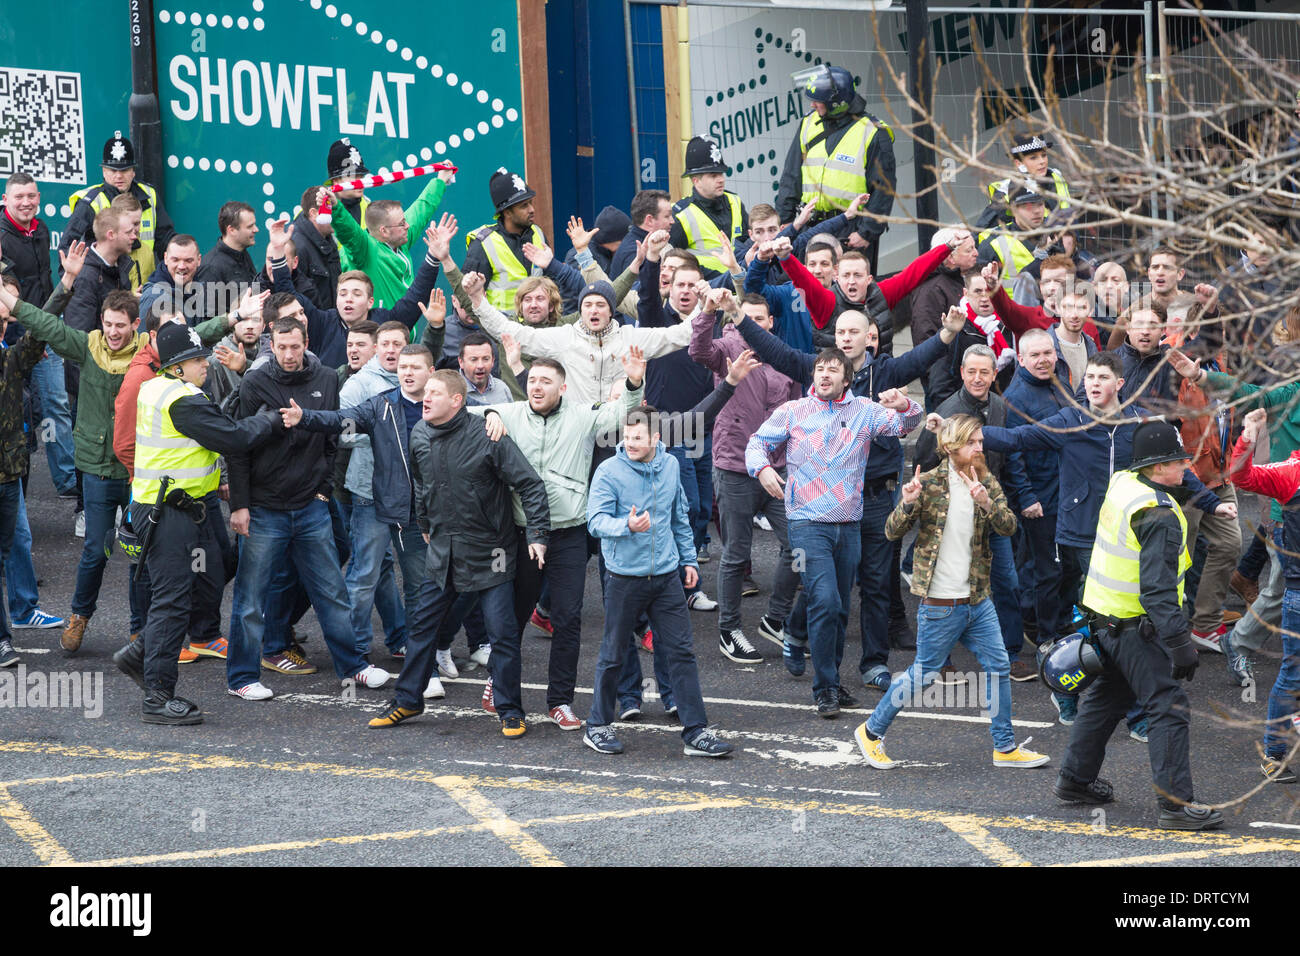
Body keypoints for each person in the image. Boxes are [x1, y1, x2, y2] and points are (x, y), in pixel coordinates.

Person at [737, 302, 966, 684]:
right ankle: (798, 635)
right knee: (823, 587)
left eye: (853, 332)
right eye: (839, 332)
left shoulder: (885, 374)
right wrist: (739, 315)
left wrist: (946, 336)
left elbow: (918, 369)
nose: (845, 339)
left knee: (875, 583)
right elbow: (776, 351)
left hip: (874, 498)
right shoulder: (817, 373)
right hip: (816, 508)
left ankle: (873, 665)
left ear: (870, 338)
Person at [1054, 421, 1224, 831]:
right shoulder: (1160, 518)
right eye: (1179, 460)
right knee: (1168, 707)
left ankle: (1075, 780)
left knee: (1105, 699)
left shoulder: (1124, 482)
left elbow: (1159, 494)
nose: (1187, 465)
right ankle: (1175, 807)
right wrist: (1180, 642)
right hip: (1136, 626)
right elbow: (1158, 589)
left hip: (1103, 618)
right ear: (1157, 466)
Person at [855, 414, 1050, 770]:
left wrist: (987, 503)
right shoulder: (927, 484)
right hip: (941, 603)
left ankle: (1004, 748)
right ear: (950, 447)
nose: (980, 447)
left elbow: (1009, 527)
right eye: (973, 442)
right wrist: (908, 502)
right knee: (923, 673)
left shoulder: (985, 481)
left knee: (998, 666)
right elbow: (891, 532)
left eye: (980, 441)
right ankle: (871, 732)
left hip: (977, 599)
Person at [466, 349, 646, 729]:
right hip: (520, 533)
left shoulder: (581, 416)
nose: (536, 386)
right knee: (511, 617)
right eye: (531, 380)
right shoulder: (511, 413)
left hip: (568, 533)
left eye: (545, 381)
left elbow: (619, 415)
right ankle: (497, 681)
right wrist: (492, 413)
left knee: (568, 619)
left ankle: (560, 701)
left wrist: (633, 383)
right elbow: (464, 413)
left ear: (562, 387)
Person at [366, 370, 550, 737]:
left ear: (457, 400)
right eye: (425, 392)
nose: (425, 397)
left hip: (492, 554)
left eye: (434, 392)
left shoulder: (487, 434)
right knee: (421, 628)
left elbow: (530, 484)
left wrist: (538, 534)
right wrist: (424, 524)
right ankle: (407, 700)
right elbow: (420, 483)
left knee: (501, 635)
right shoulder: (419, 433)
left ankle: (509, 709)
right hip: (443, 552)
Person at [115, 322, 281, 723]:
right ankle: (157, 696)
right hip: (168, 512)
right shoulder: (182, 400)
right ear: (175, 367)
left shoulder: (162, 388)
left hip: (186, 507)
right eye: (194, 359)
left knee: (216, 567)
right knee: (172, 601)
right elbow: (235, 437)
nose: (204, 363)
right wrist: (274, 419)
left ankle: (141, 652)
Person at [746, 348, 922, 717]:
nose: (824, 375)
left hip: (849, 525)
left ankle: (828, 677)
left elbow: (907, 424)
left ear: (846, 378)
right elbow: (756, 443)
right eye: (819, 369)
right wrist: (761, 469)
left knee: (839, 608)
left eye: (833, 370)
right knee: (824, 600)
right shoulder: (793, 411)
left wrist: (904, 403)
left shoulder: (864, 411)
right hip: (807, 523)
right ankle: (824, 687)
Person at [225, 315, 391, 696]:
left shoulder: (327, 379)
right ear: (271, 344)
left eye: (294, 347)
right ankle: (242, 679)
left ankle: (354, 666)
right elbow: (238, 446)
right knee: (250, 599)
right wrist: (241, 505)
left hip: (311, 506)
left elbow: (331, 434)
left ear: (306, 342)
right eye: (280, 347)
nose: (288, 354)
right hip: (264, 509)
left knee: (332, 593)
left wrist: (322, 490)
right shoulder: (254, 381)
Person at [584, 404, 734, 757]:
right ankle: (597, 725)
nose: (630, 443)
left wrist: (688, 560)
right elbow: (594, 521)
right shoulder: (608, 471)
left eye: (638, 437)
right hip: (624, 578)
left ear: (655, 438)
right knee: (613, 653)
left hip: (666, 577)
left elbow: (679, 517)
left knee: (681, 651)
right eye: (627, 436)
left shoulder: (669, 466)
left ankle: (696, 731)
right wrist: (626, 526)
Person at [282, 343, 435, 678]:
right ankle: (354, 656)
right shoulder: (382, 405)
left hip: (420, 513)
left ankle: (421, 655)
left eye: (415, 367)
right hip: (377, 504)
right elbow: (340, 419)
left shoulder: (439, 407)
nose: (407, 373)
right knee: (363, 578)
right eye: (403, 367)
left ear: (431, 372)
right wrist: (304, 417)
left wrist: (495, 416)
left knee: (419, 585)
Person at [689, 289, 802, 663]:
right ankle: (729, 630)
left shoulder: (785, 357)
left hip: (780, 469)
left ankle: (775, 619)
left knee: (798, 547)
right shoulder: (726, 348)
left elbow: (799, 411)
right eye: (744, 316)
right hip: (735, 467)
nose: (751, 323)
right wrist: (707, 311)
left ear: (770, 323)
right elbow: (698, 351)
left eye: (760, 318)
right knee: (736, 554)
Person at [914, 345, 1034, 680]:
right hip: (952, 516)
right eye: (971, 372)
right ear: (962, 373)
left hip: (988, 508)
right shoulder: (948, 411)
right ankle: (940, 657)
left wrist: (1018, 498)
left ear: (995, 374)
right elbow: (924, 460)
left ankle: (1010, 654)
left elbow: (1009, 458)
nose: (978, 378)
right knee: (946, 585)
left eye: (985, 372)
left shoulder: (999, 406)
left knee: (1006, 583)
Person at [1226, 407, 1300, 783]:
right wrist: (1248, 438)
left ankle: (1276, 752)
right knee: (1293, 674)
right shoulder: (1291, 471)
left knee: (1292, 674)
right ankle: (1274, 754)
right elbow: (1239, 476)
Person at [266, 217, 442, 368]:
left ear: (370, 302)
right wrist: (278, 252)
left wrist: (433, 256)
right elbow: (288, 295)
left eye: (357, 294)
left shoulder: (387, 323)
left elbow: (417, 294)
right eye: (343, 294)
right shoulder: (321, 323)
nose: (348, 299)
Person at [1, 172, 78, 500]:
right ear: (6, 200)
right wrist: (27, 336)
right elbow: (6, 297)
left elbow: (43, 284)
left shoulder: (42, 229)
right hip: (15, 337)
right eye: (19, 197)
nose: (26, 202)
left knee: (56, 403)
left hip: (44, 329)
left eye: (31, 196)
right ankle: (15, 488)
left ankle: (69, 482)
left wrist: (46, 329)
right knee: (16, 412)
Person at [0, 274, 63, 668]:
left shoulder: (10, 359)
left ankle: (17, 619)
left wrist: (67, 282)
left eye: (5, 319)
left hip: (9, 478)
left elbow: (40, 332)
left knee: (15, 546)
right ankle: (4, 641)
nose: (4, 323)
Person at [777, 65, 897, 271]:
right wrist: (786, 219)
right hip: (810, 225)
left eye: (819, 101)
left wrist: (866, 232)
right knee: (811, 293)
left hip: (850, 231)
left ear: (836, 103)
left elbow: (883, 190)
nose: (813, 105)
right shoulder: (808, 123)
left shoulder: (873, 132)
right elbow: (791, 175)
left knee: (851, 293)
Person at [778, 231, 957, 353]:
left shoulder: (882, 294)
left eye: (858, 275)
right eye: (846, 275)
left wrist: (946, 247)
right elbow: (803, 280)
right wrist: (786, 257)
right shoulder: (826, 302)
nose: (852, 281)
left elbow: (913, 273)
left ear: (869, 278)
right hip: (838, 382)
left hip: (879, 377)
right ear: (836, 277)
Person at [318, 162, 451, 310]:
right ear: (384, 231)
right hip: (376, 331)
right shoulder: (365, 250)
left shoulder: (400, 238)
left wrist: (440, 180)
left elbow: (421, 209)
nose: (407, 226)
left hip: (405, 331)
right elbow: (349, 232)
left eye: (405, 221)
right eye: (401, 223)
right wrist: (335, 207)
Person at [59, 132, 175, 289]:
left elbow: (166, 240)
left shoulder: (149, 195)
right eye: (113, 170)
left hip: (146, 286)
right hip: (108, 290)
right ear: (104, 172)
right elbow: (67, 247)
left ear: (133, 171)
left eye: (125, 170)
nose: (119, 176)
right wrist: (77, 288)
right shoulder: (91, 202)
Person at [462, 169, 555, 318]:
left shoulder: (538, 233)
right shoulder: (483, 243)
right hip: (500, 333)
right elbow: (467, 299)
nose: (532, 209)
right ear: (506, 212)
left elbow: (553, 284)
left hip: (538, 329)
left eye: (531, 203)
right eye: (524, 206)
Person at [668, 136, 748, 279]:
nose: (721, 179)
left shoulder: (735, 201)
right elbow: (672, 261)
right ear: (696, 181)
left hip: (740, 284)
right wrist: (720, 279)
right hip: (704, 291)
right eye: (713, 175)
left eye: (721, 173)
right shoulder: (681, 215)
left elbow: (747, 240)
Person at [975, 133, 1072, 231]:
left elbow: (1069, 216)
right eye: (1033, 158)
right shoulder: (1006, 190)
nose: (1042, 161)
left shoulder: (1056, 177)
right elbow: (985, 230)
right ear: (1018, 163)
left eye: (1044, 155)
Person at [63, 205, 134, 334]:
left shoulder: (121, 265)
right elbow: (80, 335)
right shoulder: (85, 277)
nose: (134, 236)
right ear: (111, 234)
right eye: (129, 232)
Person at [976, 185, 1046, 298]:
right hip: (1013, 313)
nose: (1037, 211)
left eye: (1040, 204)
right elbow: (980, 294)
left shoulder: (1058, 235)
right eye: (1029, 206)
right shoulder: (993, 243)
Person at [193, 201, 260, 302]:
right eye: (250, 226)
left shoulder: (242, 253)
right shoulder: (211, 268)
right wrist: (237, 316)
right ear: (231, 230)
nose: (256, 229)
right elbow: (206, 316)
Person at [290, 186, 342, 310]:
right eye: (331, 210)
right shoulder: (298, 245)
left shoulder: (327, 237)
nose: (337, 216)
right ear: (313, 213)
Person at [611, 189, 673, 278]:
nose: (672, 221)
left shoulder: (651, 243)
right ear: (649, 220)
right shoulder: (634, 254)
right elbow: (642, 290)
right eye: (667, 216)